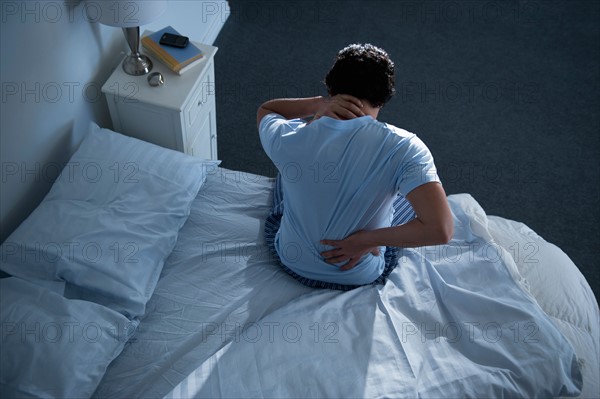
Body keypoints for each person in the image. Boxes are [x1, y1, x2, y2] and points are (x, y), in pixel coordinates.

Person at [258, 43, 453, 290]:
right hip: (358, 274)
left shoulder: (289, 138)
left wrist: (318, 105)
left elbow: (267, 109)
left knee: (286, 177)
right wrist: (365, 241)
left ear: (331, 89)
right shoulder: (405, 147)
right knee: (407, 199)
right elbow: (441, 230)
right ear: (383, 98)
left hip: (291, 261)